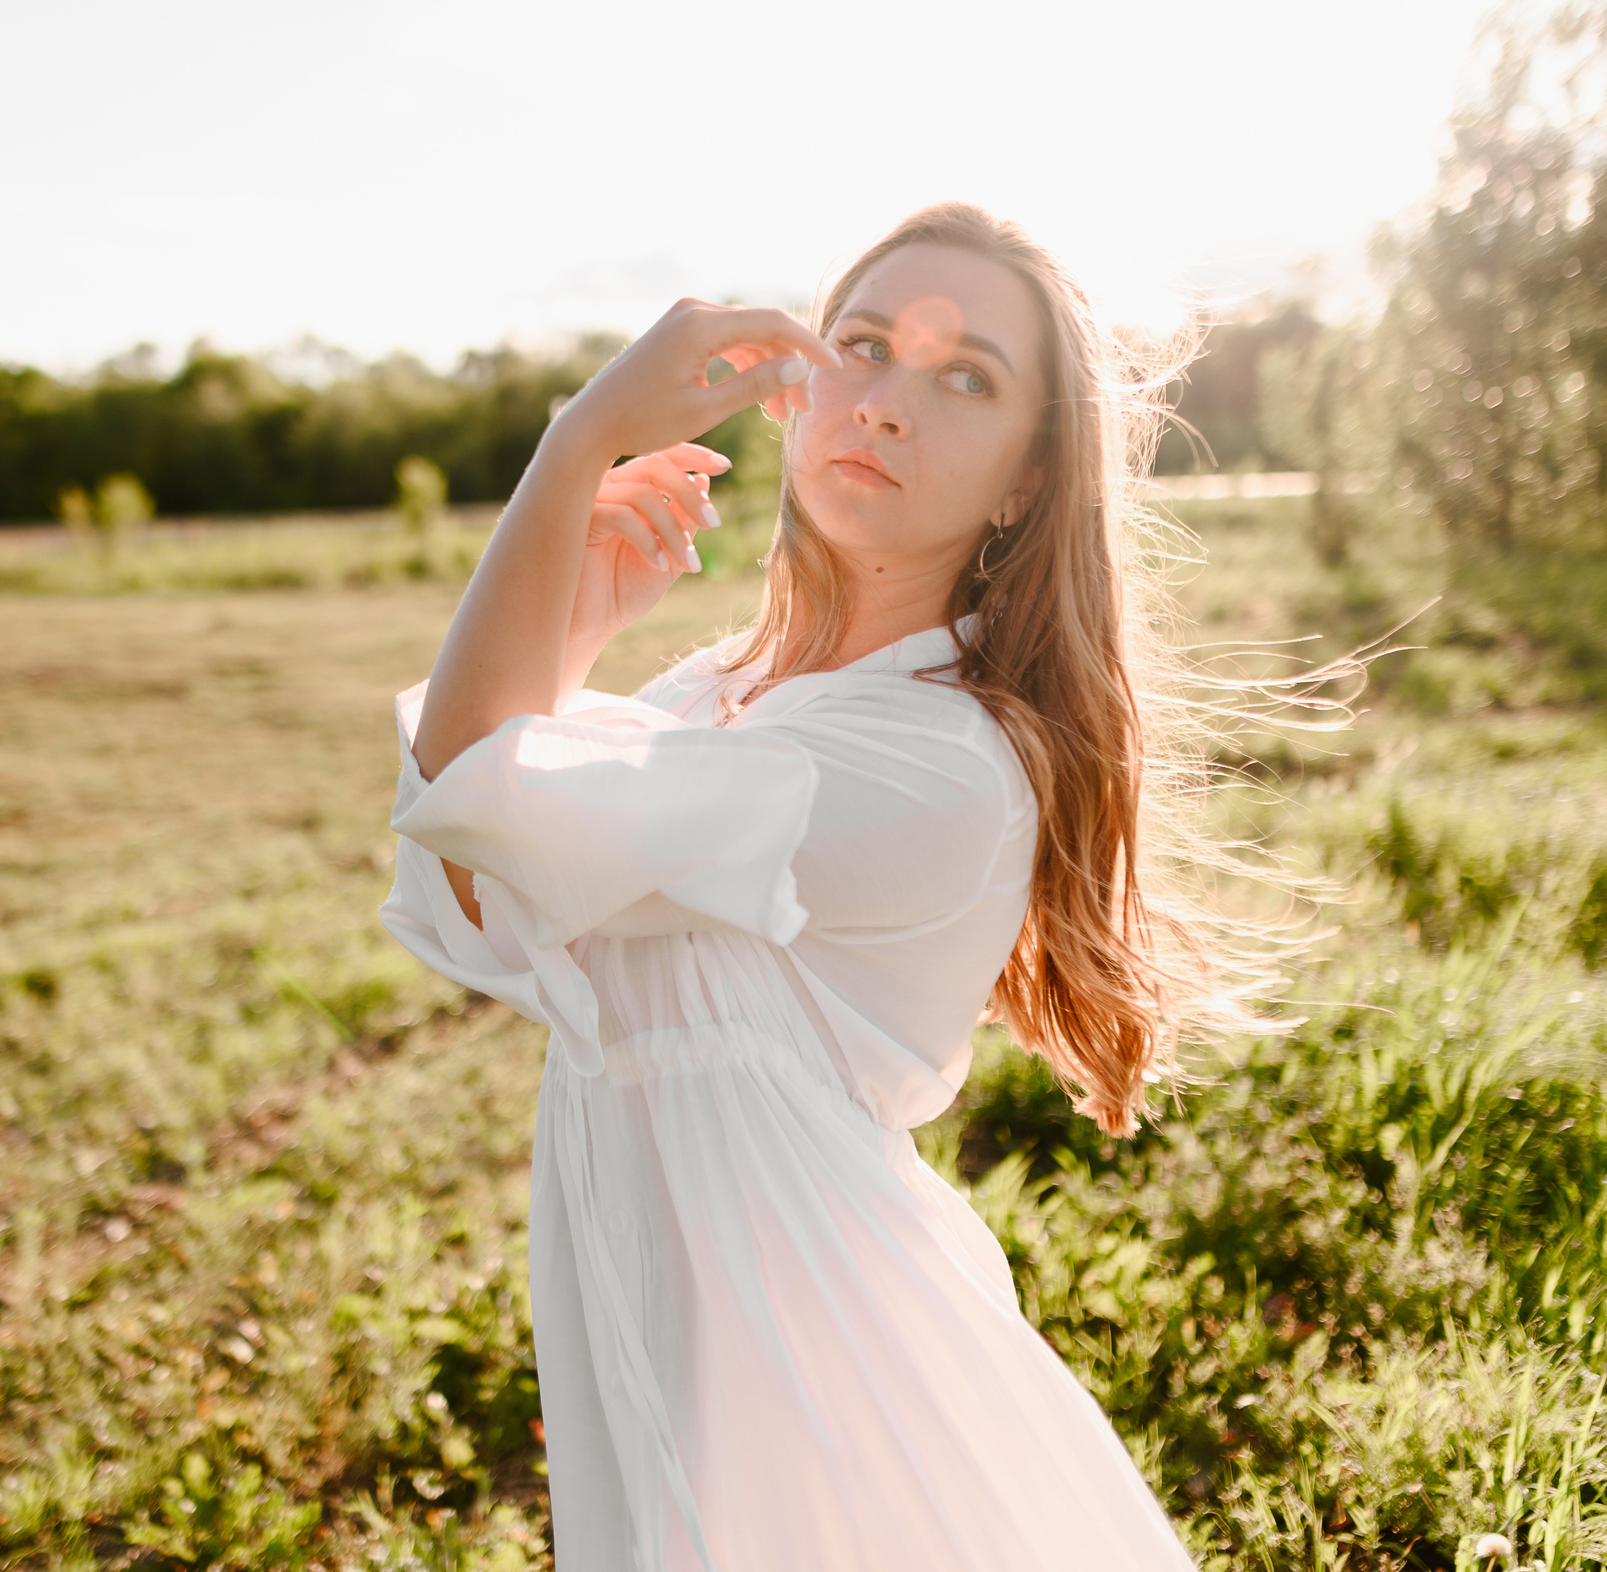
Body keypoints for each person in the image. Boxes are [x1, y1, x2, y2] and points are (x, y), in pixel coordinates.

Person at [380, 203, 1288, 1570]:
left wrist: (579, 442)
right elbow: (471, 881)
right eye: (860, 346)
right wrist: (571, 631)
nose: (887, 403)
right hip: (680, 1345)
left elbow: (472, 797)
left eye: (964, 377)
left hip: (831, 1396)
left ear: (1026, 483)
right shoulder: (719, 697)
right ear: (798, 384)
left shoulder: (941, 757)